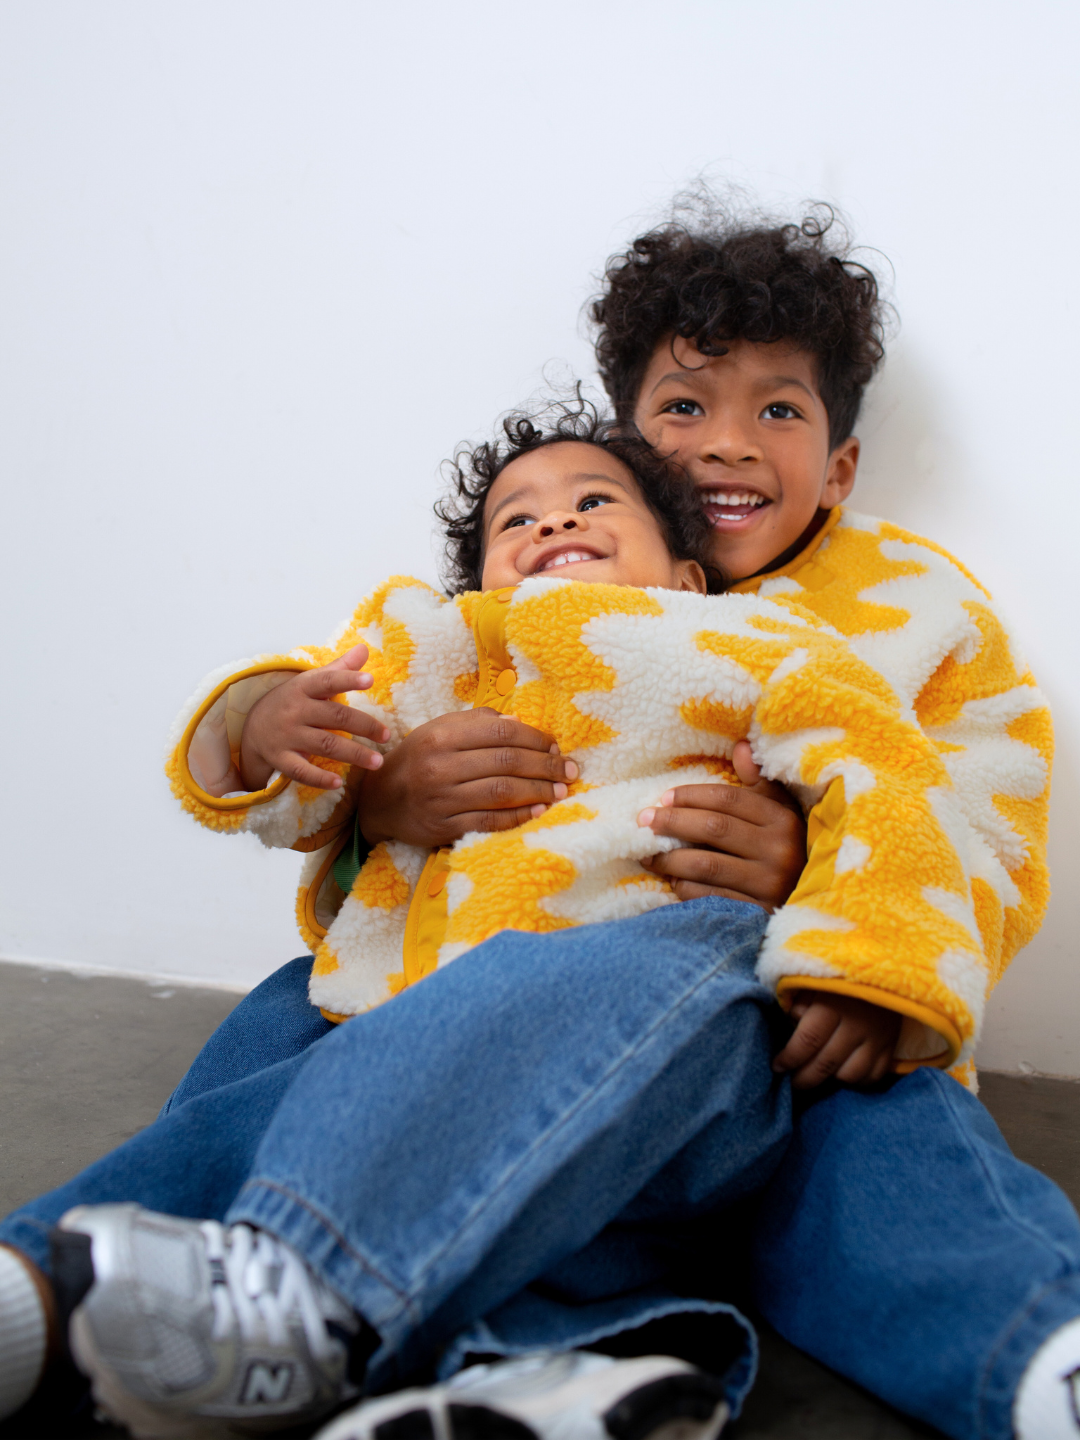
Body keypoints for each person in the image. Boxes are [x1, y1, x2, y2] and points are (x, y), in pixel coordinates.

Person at [0, 198, 1074, 1440]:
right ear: (631, 440)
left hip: (779, 1028)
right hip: (491, 1022)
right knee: (303, 1016)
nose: (726, 445)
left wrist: (821, 877)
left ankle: (1043, 1351)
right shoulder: (507, 611)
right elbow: (338, 692)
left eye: (777, 410)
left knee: (886, 1129)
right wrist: (373, 788)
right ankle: (67, 1286)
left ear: (838, 463)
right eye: (684, 408)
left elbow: (982, 818)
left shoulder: (912, 615)